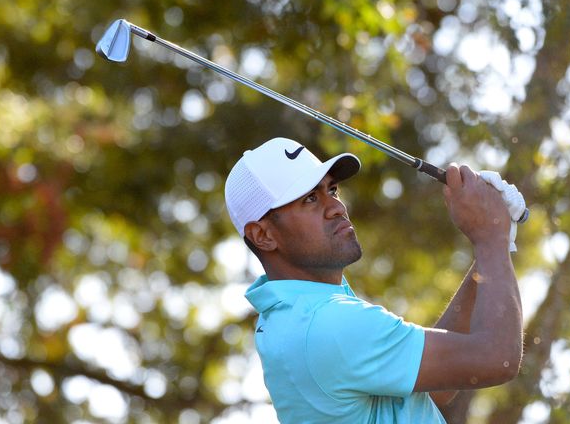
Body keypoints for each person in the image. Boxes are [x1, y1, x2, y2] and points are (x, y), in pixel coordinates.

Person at [224, 137, 523, 424]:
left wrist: (492, 249)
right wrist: (490, 237)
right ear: (263, 236)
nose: (337, 208)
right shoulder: (325, 323)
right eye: (311, 199)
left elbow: (436, 387)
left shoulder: (296, 315)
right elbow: (497, 359)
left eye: (333, 190)